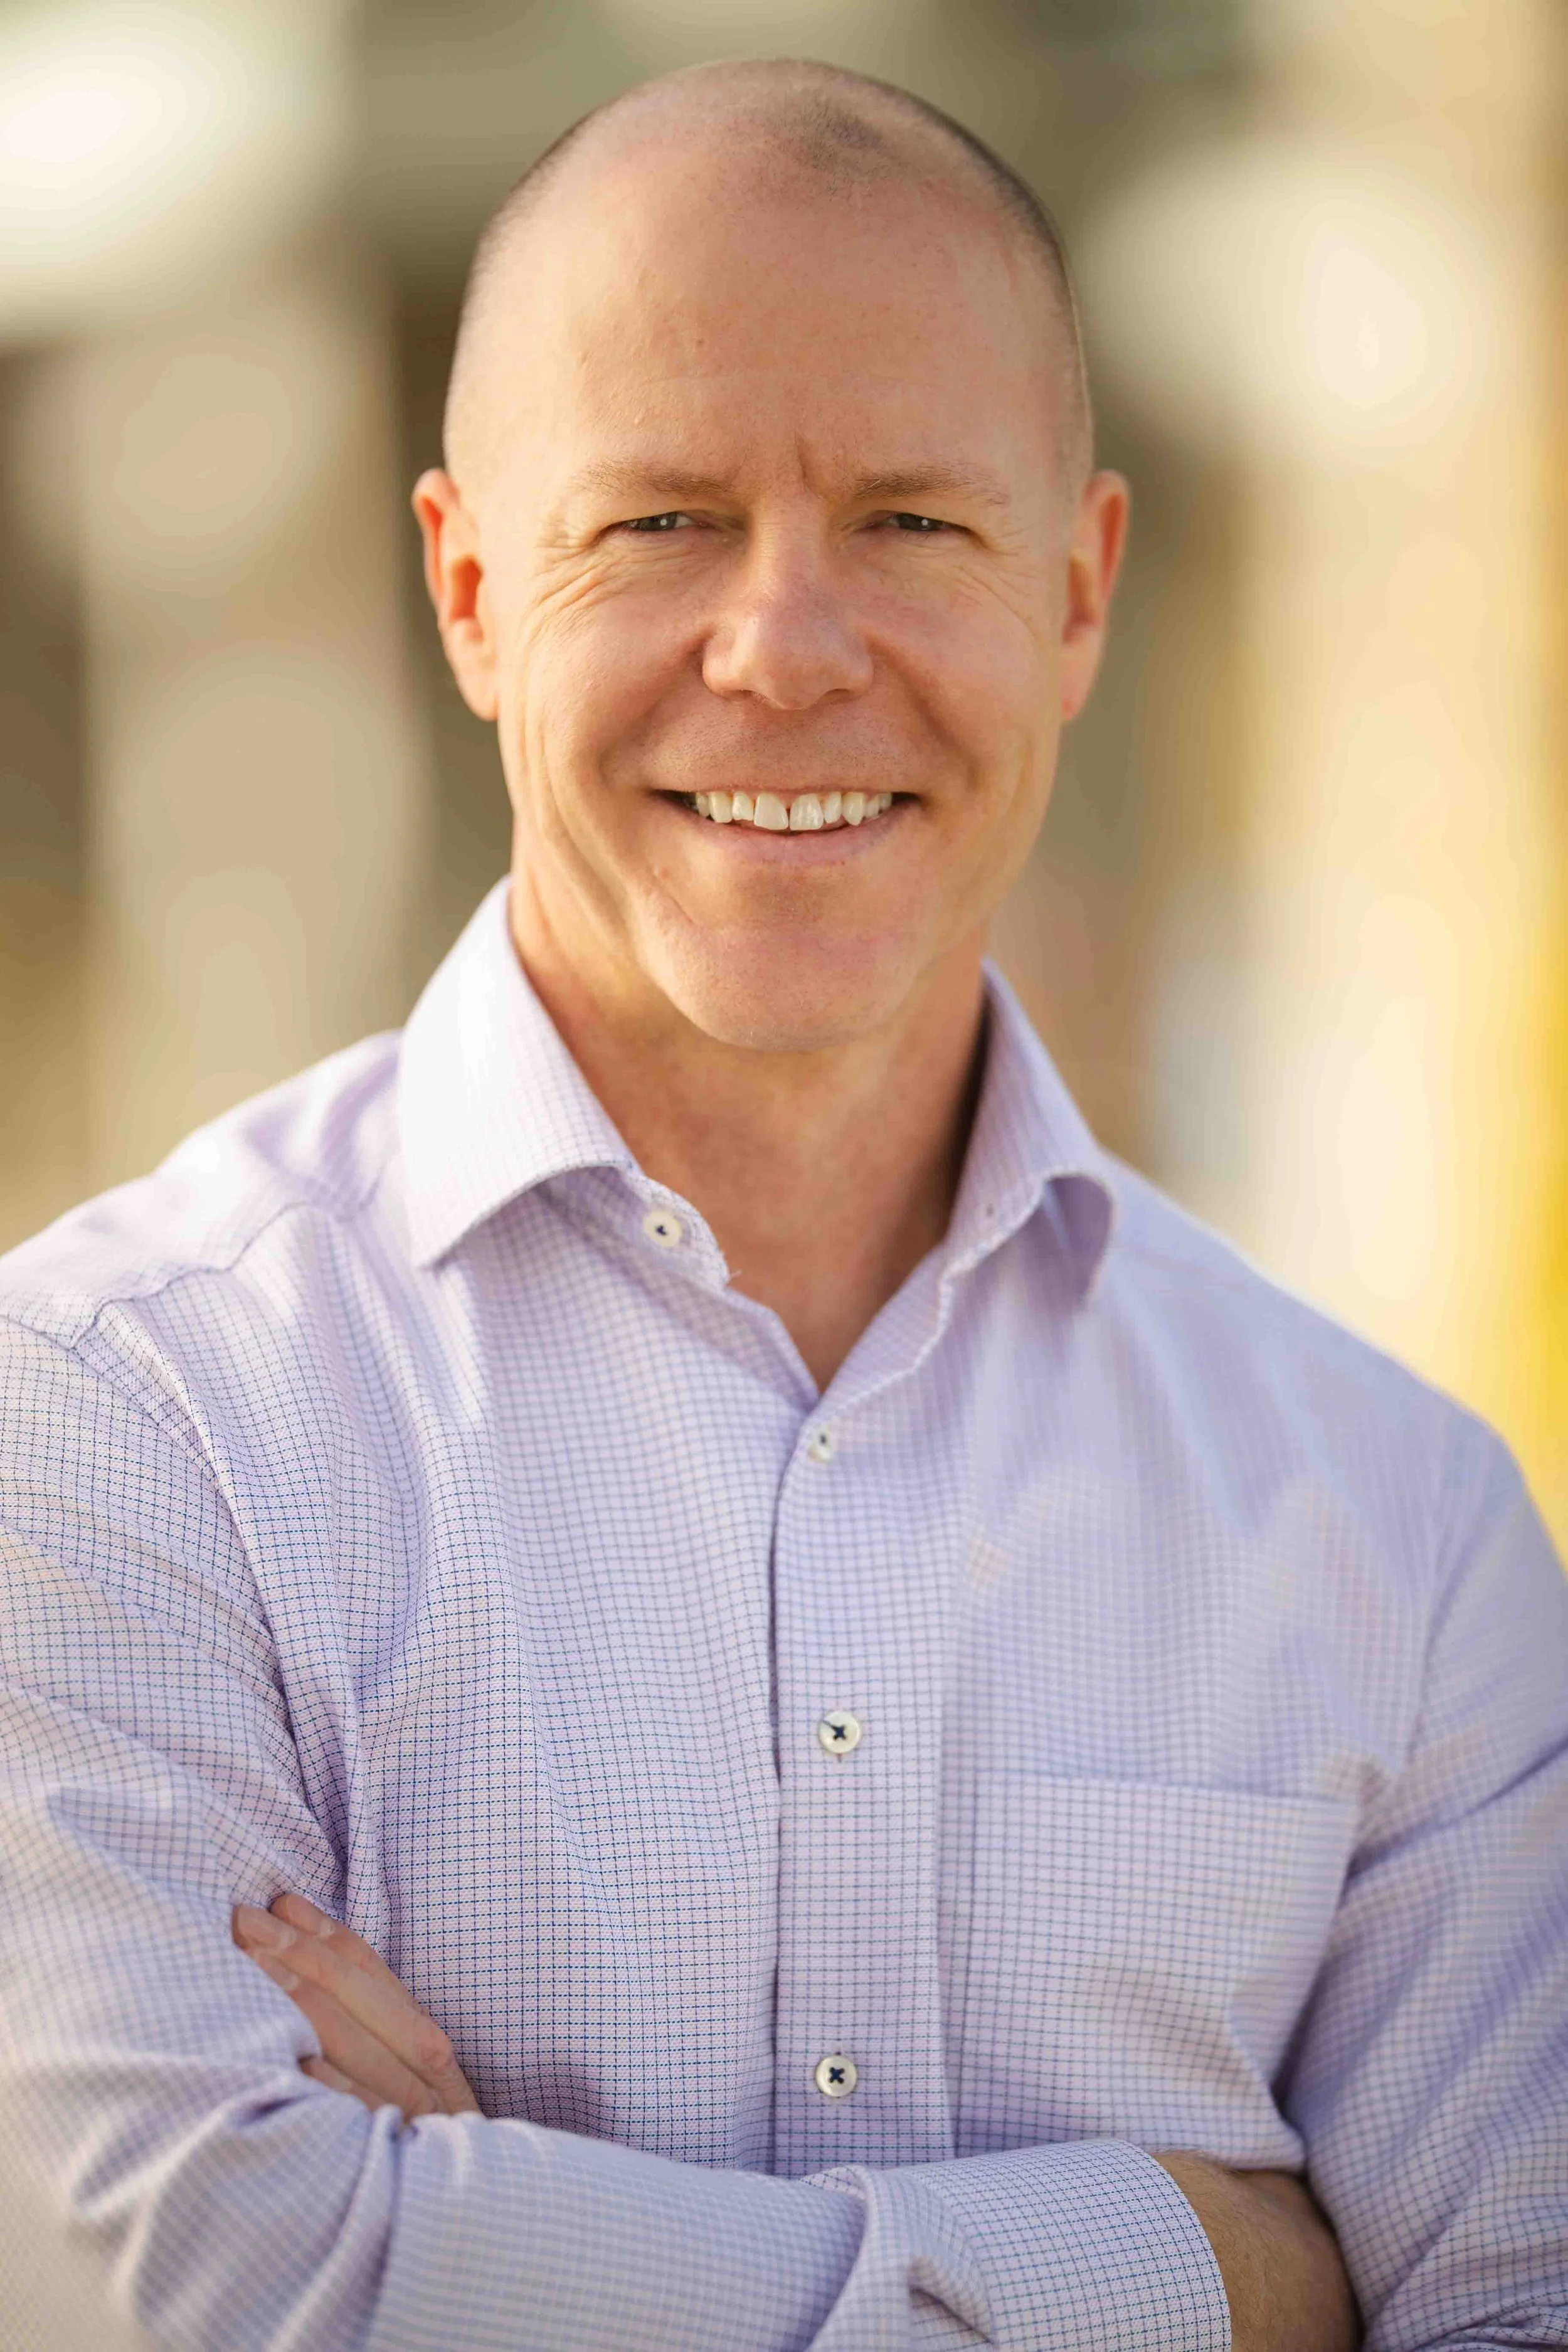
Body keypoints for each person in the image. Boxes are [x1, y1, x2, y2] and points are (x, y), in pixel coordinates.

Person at [0, 55, 1562, 2352]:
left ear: (1078, 591)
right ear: (462, 592)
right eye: (657, 524)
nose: (787, 645)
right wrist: (1203, 2276)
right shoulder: (119, 1421)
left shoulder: (1396, 1527)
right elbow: (191, 2282)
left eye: (915, 523)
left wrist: (480, 2234)